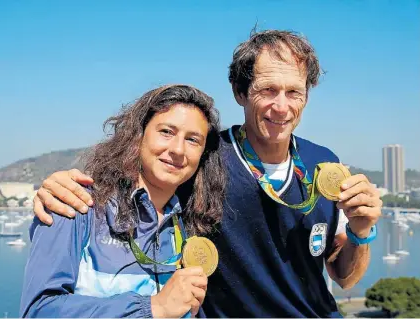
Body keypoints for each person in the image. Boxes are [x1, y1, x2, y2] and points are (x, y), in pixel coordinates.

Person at [31, 29, 382, 317]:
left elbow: (344, 277)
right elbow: (145, 172)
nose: (282, 105)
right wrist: (60, 185)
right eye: (268, 90)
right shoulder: (207, 158)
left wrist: (362, 231)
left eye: (294, 92)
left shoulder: (324, 164)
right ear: (240, 92)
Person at [19, 84, 226, 318]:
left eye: (193, 140)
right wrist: (152, 308)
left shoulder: (189, 226)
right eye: (166, 131)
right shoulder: (76, 204)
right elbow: (38, 311)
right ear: (139, 135)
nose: (178, 149)